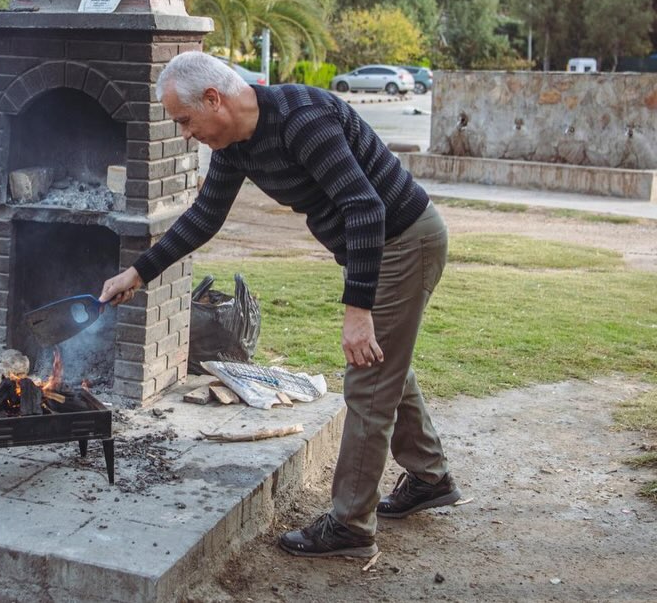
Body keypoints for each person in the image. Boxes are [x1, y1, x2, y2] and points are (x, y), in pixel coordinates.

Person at [100, 51, 460, 559]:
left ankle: (352, 526)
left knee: (368, 380)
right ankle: (429, 477)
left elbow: (365, 207)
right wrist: (138, 272)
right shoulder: (235, 145)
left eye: (184, 121)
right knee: (387, 368)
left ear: (213, 98)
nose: (184, 134)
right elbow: (204, 217)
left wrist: (358, 311)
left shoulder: (300, 121)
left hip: (403, 240)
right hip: (380, 243)